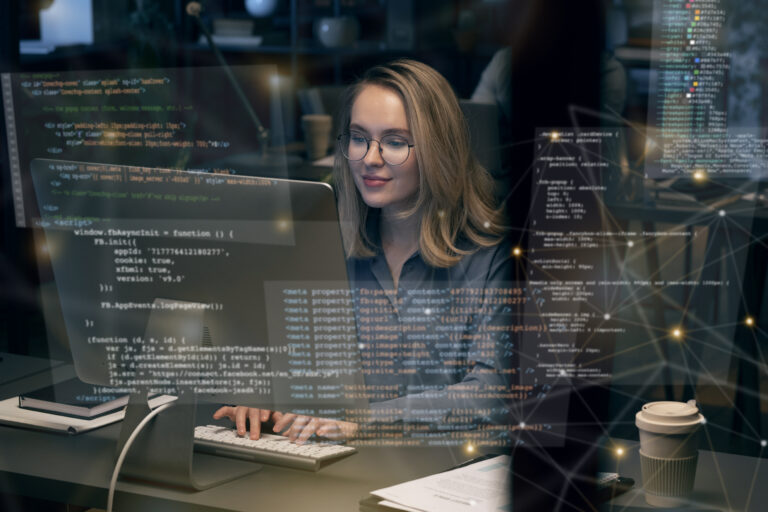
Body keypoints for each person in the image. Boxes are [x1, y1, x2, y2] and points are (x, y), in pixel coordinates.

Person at [214, 59, 514, 445]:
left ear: (440, 151)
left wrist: (363, 420)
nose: (370, 158)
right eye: (359, 138)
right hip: (328, 466)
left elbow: (491, 392)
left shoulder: (494, 257)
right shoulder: (323, 243)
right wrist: (260, 394)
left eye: (394, 142)